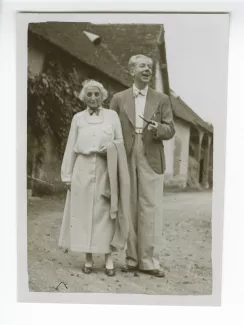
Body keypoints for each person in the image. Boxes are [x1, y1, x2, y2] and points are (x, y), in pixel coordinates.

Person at [110, 54, 175, 277]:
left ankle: (149, 260)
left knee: (151, 206)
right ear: (131, 71)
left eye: (149, 66)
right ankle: (131, 258)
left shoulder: (162, 98)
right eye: (142, 66)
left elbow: (170, 129)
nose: (147, 69)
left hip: (151, 153)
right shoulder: (119, 98)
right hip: (126, 153)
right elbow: (110, 128)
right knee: (129, 206)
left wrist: (159, 128)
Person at [58, 79, 129, 277]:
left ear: (102, 96)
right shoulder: (78, 119)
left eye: (96, 94)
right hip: (82, 168)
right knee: (83, 214)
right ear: (84, 97)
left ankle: (108, 260)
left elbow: (120, 142)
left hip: (106, 169)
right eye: (89, 94)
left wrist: (111, 147)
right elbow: (71, 146)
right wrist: (67, 175)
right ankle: (88, 259)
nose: (93, 98)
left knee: (105, 213)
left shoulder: (112, 116)